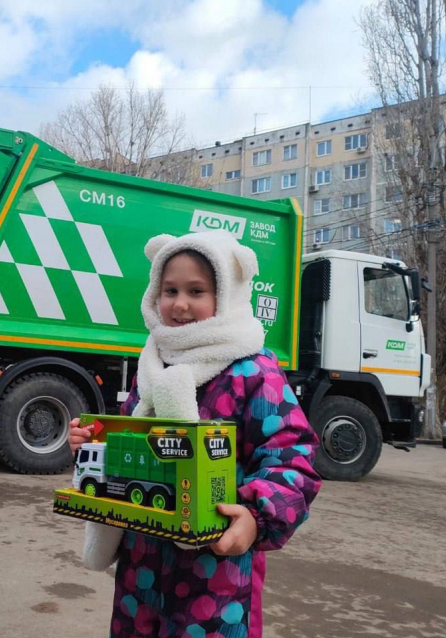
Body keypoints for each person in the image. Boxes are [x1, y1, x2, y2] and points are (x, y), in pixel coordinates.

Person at [68, 231, 321, 638]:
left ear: (228, 294)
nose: (180, 304)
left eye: (196, 290)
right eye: (170, 290)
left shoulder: (253, 372)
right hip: (141, 568)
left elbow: (292, 458)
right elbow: (129, 439)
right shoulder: (152, 366)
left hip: (218, 571)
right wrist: (91, 442)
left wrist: (256, 519)